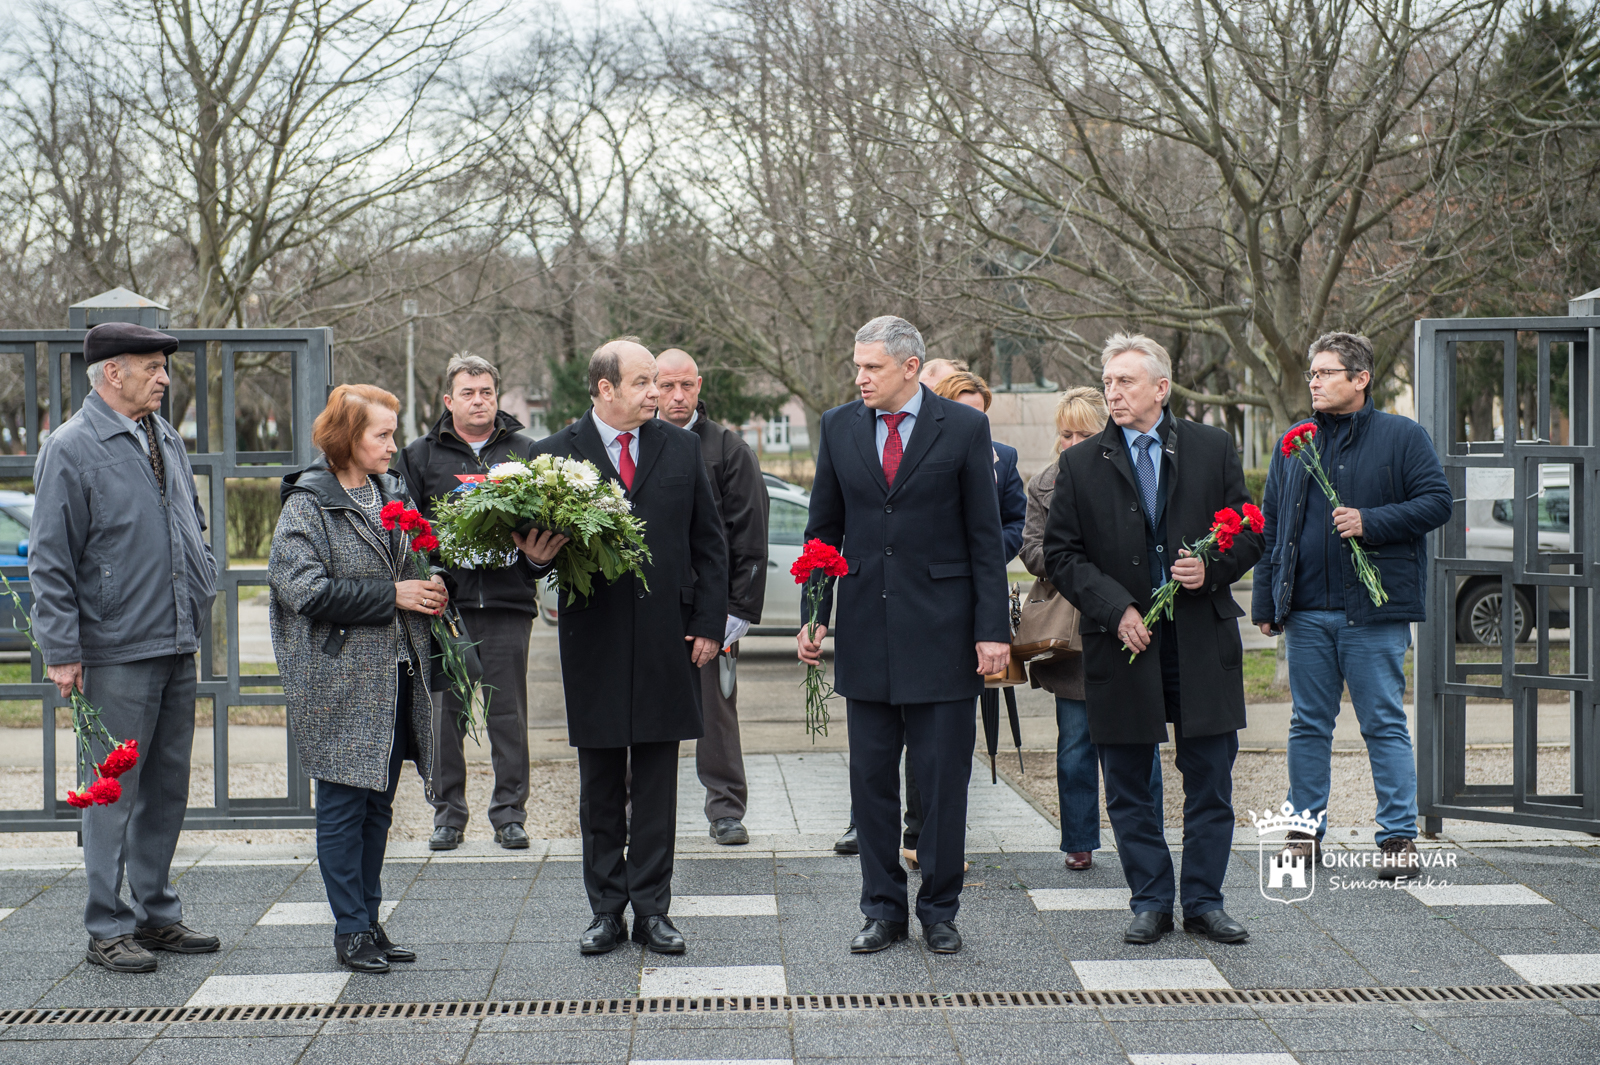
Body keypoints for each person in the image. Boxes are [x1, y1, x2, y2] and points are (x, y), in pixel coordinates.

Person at [798, 315, 1009, 957]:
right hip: (866, 631)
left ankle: (940, 910)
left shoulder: (964, 427)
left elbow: (985, 538)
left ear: (910, 367)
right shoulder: (838, 426)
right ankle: (882, 909)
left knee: (942, 783)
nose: (860, 378)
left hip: (945, 634)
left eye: (872, 367)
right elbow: (822, 531)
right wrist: (815, 612)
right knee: (870, 784)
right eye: (857, 366)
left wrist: (992, 631)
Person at [1042, 333, 1262, 946]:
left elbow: (1249, 531)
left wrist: (1210, 567)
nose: (1112, 393)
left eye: (1125, 382)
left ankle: (1205, 902)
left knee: (1210, 780)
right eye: (1108, 382)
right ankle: (1150, 901)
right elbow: (1062, 555)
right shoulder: (1081, 464)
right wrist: (1116, 609)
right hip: (1122, 644)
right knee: (1129, 782)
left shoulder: (1212, 447)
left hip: (1201, 642)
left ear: (1161, 388)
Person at [514, 338, 727, 956]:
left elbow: (710, 544)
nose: (657, 393)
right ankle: (606, 910)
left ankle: (654, 910)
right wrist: (534, 561)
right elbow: (524, 553)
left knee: (658, 782)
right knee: (600, 784)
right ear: (605, 388)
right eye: (643, 382)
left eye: (657, 381)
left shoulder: (681, 447)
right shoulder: (551, 455)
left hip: (669, 637)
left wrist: (710, 624)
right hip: (594, 639)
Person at [28, 322, 221, 973]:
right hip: (113, 648)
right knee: (111, 792)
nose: (164, 377)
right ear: (113, 372)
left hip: (175, 637)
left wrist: (202, 577)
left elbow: (189, 522)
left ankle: (156, 913)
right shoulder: (70, 446)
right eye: (152, 366)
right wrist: (62, 648)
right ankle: (107, 925)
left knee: (165, 788)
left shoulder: (164, 435)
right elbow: (50, 559)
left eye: (164, 366)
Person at [1253, 332, 1451, 879]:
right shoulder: (1295, 443)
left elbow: (1437, 503)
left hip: (1373, 613)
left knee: (1383, 723)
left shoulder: (1402, 436)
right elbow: (1273, 525)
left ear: (1360, 379)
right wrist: (1268, 600)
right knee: (1307, 725)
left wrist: (1371, 521)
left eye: (1326, 373)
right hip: (1306, 613)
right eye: (1312, 373)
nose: (1314, 382)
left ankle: (1398, 839)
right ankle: (1303, 833)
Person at [270, 384, 442, 974]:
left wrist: (431, 584)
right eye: (382, 435)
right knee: (343, 809)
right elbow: (302, 590)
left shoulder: (390, 491)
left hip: (395, 676)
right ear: (347, 437)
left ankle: (369, 921)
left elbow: (415, 563)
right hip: (339, 680)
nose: (394, 445)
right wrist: (393, 595)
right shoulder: (308, 503)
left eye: (394, 433)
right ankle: (349, 930)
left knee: (377, 809)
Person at [391, 353, 541, 852]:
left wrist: (534, 562)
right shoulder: (419, 456)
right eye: (468, 393)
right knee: (444, 715)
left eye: (487, 392)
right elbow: (401, 526)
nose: (479, 401)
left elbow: (547, 529)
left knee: (508, 715)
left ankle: (510, 815)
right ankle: (448, 815)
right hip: (444, 611)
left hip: (508, 604)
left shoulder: (528, 452)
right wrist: (428, 575)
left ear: (497, 397)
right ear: (448, 400)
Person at [1019, 386, 1162, 872]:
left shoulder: (1138, 471)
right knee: (1075, 743)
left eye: (1084, 433)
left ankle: (1146, 834)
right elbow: (1032, 550)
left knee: (1139, 739)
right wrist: (1074, 562)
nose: (1073, 443)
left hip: (1129, 621)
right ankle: (1079, 839)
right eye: (1066, 434)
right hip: (1072, 628)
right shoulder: (1044, 483)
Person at [895, 371, 1025, 870]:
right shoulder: (920, 450)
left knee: (953, 733)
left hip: (978, 600)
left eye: (981, 413)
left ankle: (945, 836)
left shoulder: (1003, 458)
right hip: (922, 601)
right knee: (917, 728)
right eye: (966, 409)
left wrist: (984, 553)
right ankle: (916, 831)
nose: (975, 421)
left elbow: (1012, 522)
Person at [655, 349, 769, 846]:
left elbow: (750, 535)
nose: (677, 396)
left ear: (699, 385)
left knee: (716, 713)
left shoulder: (728, 448)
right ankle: (635, 807)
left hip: (712, 610)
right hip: (652, 607)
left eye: (687, 385)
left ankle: (725, 808)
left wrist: (737, 611)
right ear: (651, 387)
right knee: (642, 709)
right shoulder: (637, 444)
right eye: (667, 386)